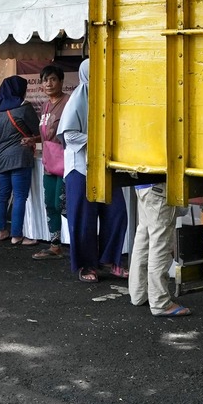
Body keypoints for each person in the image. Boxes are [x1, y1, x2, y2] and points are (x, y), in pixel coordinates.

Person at [59, 59, 130, 284]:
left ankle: (110, 260)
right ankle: (86, 265)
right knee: (84, 219)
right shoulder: (79, 97)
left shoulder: (107, 96)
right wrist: (100, 142)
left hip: (105, 166)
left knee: (117, 213)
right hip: (80, 168)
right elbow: (69, 135)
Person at [0, 75, 41, 245]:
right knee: (19, 196)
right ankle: (17, 235)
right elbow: (37, 129)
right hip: (20, 156)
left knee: (2, 195)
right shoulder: (24, 107)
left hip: (1, 157)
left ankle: (1, 231)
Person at [129, 182, 191, 317]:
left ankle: (138, 294)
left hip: (143, 186)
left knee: (143, 239)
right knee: (161, 244)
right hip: (159, 188)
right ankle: (160, 303)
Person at [33, 65, 69, 261]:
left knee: (61, 203)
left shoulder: (68, 102)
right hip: (49, 162)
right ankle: (55, 245)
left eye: (53, 79)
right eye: (45, 80)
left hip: (65, 162)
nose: (48, 83)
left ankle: (82, 243)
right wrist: (34, 140)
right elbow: (47, 134)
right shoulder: (45, 106)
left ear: (61, 81)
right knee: (49, 204)